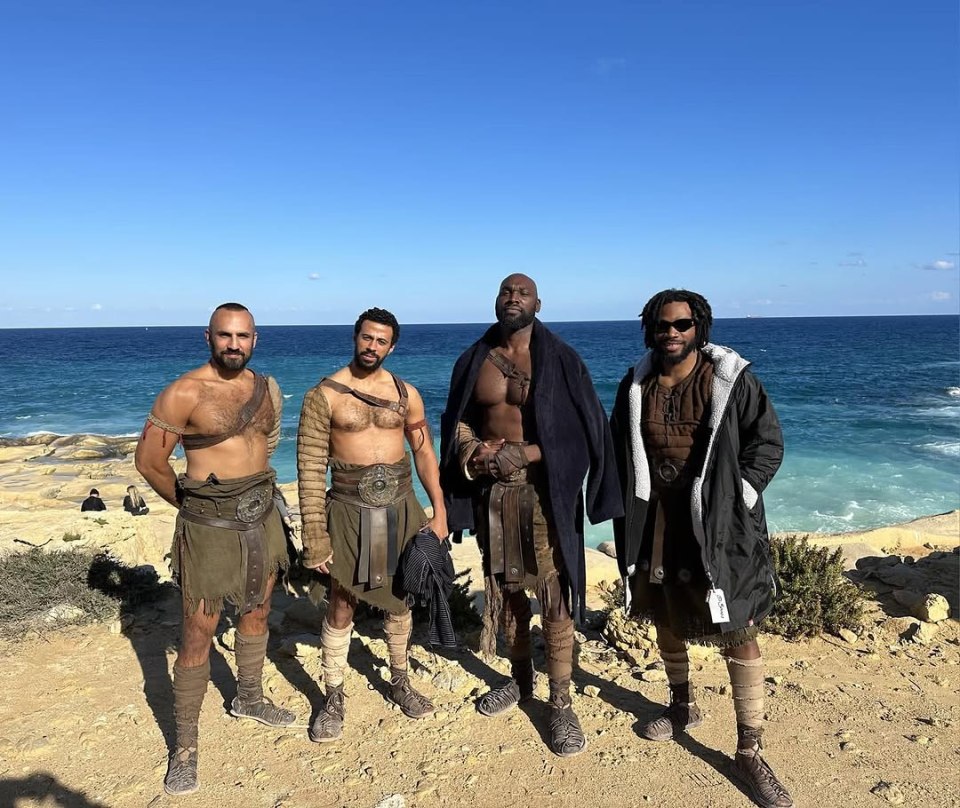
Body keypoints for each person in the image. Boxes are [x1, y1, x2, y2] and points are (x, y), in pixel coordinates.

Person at [609, 289, 793, 808]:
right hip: (658, 521)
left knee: (737, 627)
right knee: (666, 615)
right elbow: (617, 448)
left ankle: (750, 749)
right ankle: (681, 704)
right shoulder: (635, 383)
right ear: (650, 329)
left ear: (699, 328)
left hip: (718, 525)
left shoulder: (732, 381)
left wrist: (743, 490)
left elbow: (768, 441)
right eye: (663, 325)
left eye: (683, 324)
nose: (672, 332)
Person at [440, 274, 622, 757]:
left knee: (555, 595)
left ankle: (560, 703)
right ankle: (520, 682)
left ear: (538, 303)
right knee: (509, 593)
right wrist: (472, 452)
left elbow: (586, 430)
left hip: (544, 496)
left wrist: (530, 453)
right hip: (492, 497)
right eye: (506, 291)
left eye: (522, 293)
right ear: (496, 300)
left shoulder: (560, 359)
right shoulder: (473, 359)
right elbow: (457, 420)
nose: (513, 298)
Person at [134, 302, 295, 797]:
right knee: (199, 628)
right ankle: (185, 746)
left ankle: (248, 697)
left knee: (258, 609)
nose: (233, 344)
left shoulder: (266, 388)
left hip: (261, 515)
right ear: (208, 337)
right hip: (208, 523)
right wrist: (191, 502)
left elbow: (265, 443)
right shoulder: (184, 392)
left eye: (242, 336)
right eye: (224, 335)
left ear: (255, 339)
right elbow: (149, 461)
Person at [297, 307, 448, 743]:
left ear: (392, 346)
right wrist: (315, 536)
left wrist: (438, 509)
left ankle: (399, 679)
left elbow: (423, 453)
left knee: (400, 599)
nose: (372, 346)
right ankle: (333, 694)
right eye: (367, 338)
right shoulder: (323, 395)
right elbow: (308, 469)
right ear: (355, 337)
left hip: (401, 506)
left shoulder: (406, 394)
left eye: (381, 341)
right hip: (347, 507)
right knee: (342, 601)